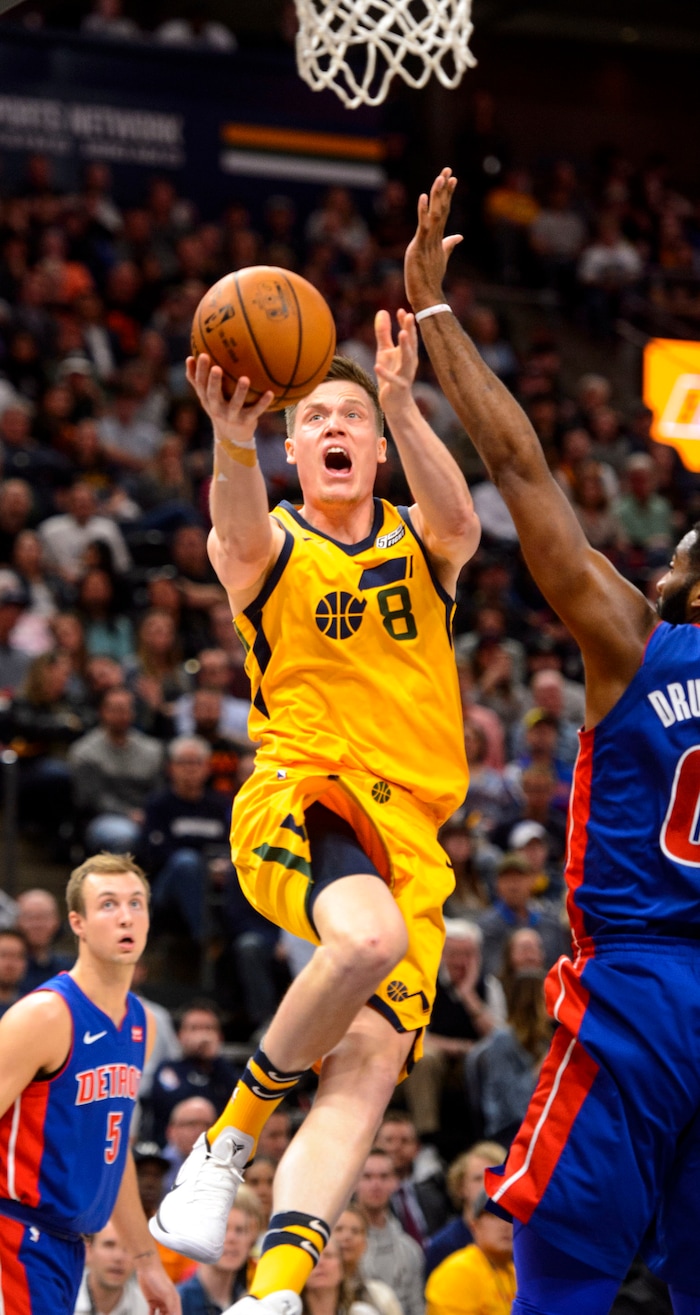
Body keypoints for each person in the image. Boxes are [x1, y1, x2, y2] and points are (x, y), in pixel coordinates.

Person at [405, 164, 700, 1315]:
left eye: (677, 550)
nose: (663, 555)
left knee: (563, 1271)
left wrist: (434, 311)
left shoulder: (631, 638)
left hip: (639, 986)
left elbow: (520, 466)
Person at [149, 297, 480, 1313]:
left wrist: (402, 400)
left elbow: (462, 523)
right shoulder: (269, 545)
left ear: (377, 450)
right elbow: (234, 526)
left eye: (352, 419)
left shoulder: (421, 541)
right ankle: (224, 1144)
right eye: (316, 419)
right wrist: (231, 437)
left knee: (367, 1073)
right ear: (292, 448)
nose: (335, 428)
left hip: (414, 833)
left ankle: (275, 1290)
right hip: (309, 792)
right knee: (368, 939)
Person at [0, 852, 179, 1313]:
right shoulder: (45, 1015)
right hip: (14, 1234)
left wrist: (147, 1262)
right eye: (108, 904)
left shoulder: (142, 1023)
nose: (126, 916)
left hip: (66, 1246)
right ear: (77, 923)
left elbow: (112, 1155)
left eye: (136, 903)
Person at [354, 1148, 425, 1315]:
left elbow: (417, 1308)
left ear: (395, 1182)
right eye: (367, 1176)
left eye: (384, 1176)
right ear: (354, 1182)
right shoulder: (340, 1244)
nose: (376, 1185)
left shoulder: (411, 1250)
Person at [424, 1198, 515, 1315]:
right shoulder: (458, 1272)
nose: (505, 1225)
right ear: (474, 1226)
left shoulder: (518, 1273)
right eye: (493, 1216)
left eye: (511, 1217)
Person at [332, 1206, 402, 1315]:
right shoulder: (310, 1292)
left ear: (365, 1243)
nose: (347, 1236)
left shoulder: (382, 1296)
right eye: (339, 1229)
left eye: (355, 1231)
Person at [74, 1220, 149, 1314]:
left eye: (129, 1248)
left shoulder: (149, 1309)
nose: (118, 1257)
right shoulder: (62, 1298)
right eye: (109, 1245)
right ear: (87, 1250)